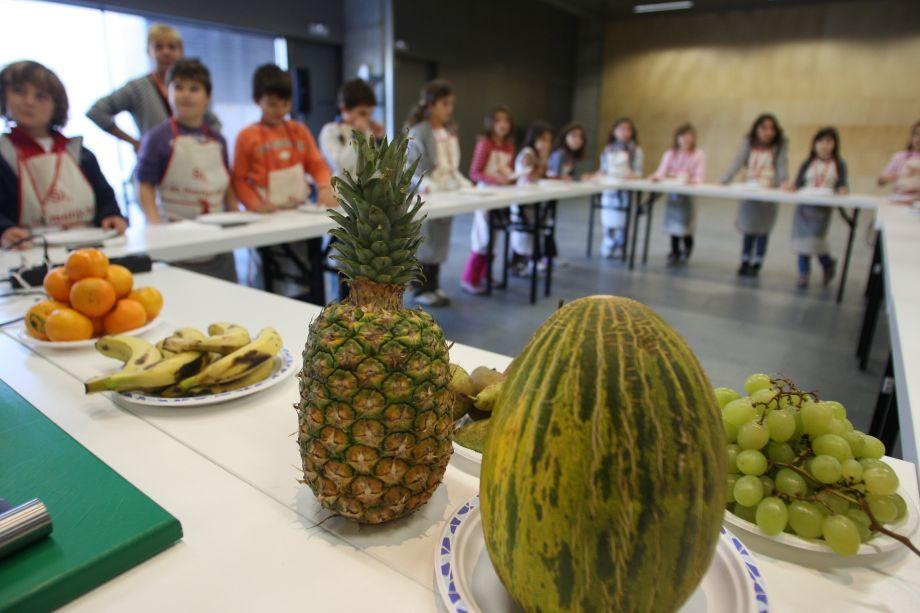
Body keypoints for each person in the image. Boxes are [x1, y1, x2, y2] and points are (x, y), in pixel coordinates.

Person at [0, 61, 126, 249]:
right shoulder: (3, 155)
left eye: (40, 96)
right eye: (19, 91)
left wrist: (111, 215)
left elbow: (105, 196)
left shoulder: (80, 153)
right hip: (27, 249)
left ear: (57, 105)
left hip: (89, 244)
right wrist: (4, 229)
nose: (29, 101)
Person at [135, 59, 236, 280]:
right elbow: (145, 188)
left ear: (207, 97)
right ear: (167, 92)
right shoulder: (157, 139)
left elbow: (227, 185)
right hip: (177, 246)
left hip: (218, 242)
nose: (186, 95)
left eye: (194, 89)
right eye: (178, 87)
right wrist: (156, 229)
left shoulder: (219, 140)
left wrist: (236, 217)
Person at [405, 80, 472, 307]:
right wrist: (427, 187)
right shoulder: (419, 132)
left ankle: (434, 285)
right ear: (431, 105)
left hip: (446, 194)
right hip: (426, 195)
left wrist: (463, 183)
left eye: (451, 104)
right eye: (445, 104)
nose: (449, 109)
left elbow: (451, 166)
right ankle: (420, 289)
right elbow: (411, 168)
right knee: (424, 242)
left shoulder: (448, 131)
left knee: (440, 241)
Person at [233, 64, 333, 211]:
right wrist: (255, 204)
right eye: (272, 104)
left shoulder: (299, 131)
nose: (280, 110)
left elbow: (316, 165)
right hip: (265, 215)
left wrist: (325, 187)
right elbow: (239, 180)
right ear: (257, 100)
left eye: (285, 104)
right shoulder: (246, 136)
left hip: (299, 210)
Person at [720, 113, 789, 277]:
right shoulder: (748, 143)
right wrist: (725, 178)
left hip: (768, 194)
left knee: (763, 230)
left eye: (772, 129)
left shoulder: (779, 146)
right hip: (750, 191)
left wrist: (784, 182)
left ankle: (757, 262)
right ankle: (744, 260)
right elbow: (738, 160)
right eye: (764, 128)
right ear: (756, 129)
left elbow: (782, 164)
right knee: (748, 228)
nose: (768, 132)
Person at [460, 106, 514, 295]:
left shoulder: (508, 145)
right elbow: (475, 172)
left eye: (506, 120)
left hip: (502, 195)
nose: (503, 124)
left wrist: (511, 177)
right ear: (491, 123)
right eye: (498, 120)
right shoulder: (485, 143)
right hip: (485, 194)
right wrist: (495, 179)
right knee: (482, 238)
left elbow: (509, 169)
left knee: (495, 236)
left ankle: (485, 275)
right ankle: (470, 278)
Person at [791, 127, 848, 289]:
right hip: (804, 206)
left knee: (815, 241)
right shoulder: (808, 162)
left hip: (822, 208)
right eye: (821, 141)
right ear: (815, 144)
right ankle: (804, 273)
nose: (824, 145)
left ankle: (827, 263)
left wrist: (842, 189)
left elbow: (842, 183)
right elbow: (798, 182)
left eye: (828, 142)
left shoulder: (838, 164)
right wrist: (792, 187)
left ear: (835, 145)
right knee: (802, 241)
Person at [650, 123, 705, 266]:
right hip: (673, 195)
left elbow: (700, 176)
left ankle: (687, 249)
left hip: (688, 195)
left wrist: (689, 179)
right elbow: (662, 171)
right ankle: (674, 251)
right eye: (683, 136)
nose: (686, 139)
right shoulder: (670, 153)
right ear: (677, 138)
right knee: (673, 225)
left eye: (689, 136)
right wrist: (657, 177)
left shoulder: (698, 154)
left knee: (686, 225)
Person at [508, 121, 552, 275]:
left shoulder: (538, 154)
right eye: (542, 139)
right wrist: (543, 161)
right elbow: (531, 175)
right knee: (522, 233)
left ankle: (528, 261)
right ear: (533, 139)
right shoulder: (528, 153)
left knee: (532, 232)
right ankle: (517, 263)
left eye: (548, 140)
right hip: (522, 198)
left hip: (533, 199)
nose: (545, 144)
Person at [319, 78, 385, 178]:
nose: (367, 119)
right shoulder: (329, 131)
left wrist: (380, 140)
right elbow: (342, 167)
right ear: (344, 109)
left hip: (369, 192)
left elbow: (378, 167)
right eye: (362, 113)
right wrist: (357, 135)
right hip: (341, 192)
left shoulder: (367, 131)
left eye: (370, 114)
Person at [596, 118, 642, 259]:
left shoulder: (636, 150)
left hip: (626, 191)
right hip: (610, 190)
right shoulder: (608, 149)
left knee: (624, 221)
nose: (624, 132)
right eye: (621, 128)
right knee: (609, 219)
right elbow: (603, 169)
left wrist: (627, 176)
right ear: (614, 131)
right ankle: (608, 242)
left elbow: (638, 172)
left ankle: (621, 245)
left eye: (627, 129)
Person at [878, 120, 920, 203]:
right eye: (916, 134)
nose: (918, 138)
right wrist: (887, 177)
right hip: (899, 200)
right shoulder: (900, 157)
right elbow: (880, 181)